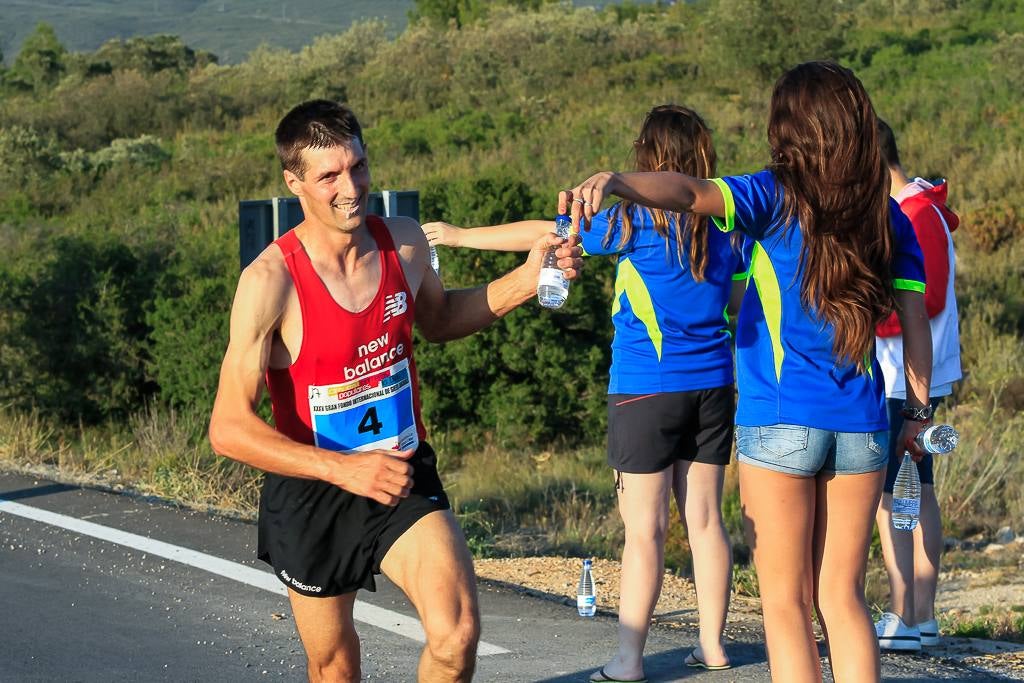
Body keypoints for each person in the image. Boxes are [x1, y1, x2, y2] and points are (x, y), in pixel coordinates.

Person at [564, 62, 934, 683]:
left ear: (789, 129)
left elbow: (687, 193)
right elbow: (916, 327)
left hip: (781, 419)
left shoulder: (770, 196)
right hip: (865, 424)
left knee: (786, 606)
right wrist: (919, 415)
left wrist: (619, 181)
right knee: (842, 599)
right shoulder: (888, 217)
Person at [208, 99, 582, 683]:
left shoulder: (404, 243)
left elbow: (441, 320)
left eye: (358, 166)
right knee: (333, 665)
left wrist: (528, 280)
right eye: (329, 175)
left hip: (403, 472)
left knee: (456, 634)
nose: (351, 187)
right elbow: (228, 428)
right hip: (313, 493)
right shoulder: (269, 282)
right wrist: (343, 470)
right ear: (294, 182)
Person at [424, 104, 746, 682]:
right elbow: (741, 309)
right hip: (715, 387)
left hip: (645, 389)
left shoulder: (633, 222)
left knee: (644, 530)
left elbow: (545, 235)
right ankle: (714, 646)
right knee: (705, 523)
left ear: (648, 160)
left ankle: (628, 660)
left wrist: (457, 236)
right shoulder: (728, 225)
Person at [873, 118, 962, 652]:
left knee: (893, 496)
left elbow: (923, 301)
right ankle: (920, 614)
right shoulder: (921, 209)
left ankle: (905, 613)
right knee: (915, 488)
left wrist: (861, 317)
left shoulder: (917, 213)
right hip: (910, 375)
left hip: (902, 379)